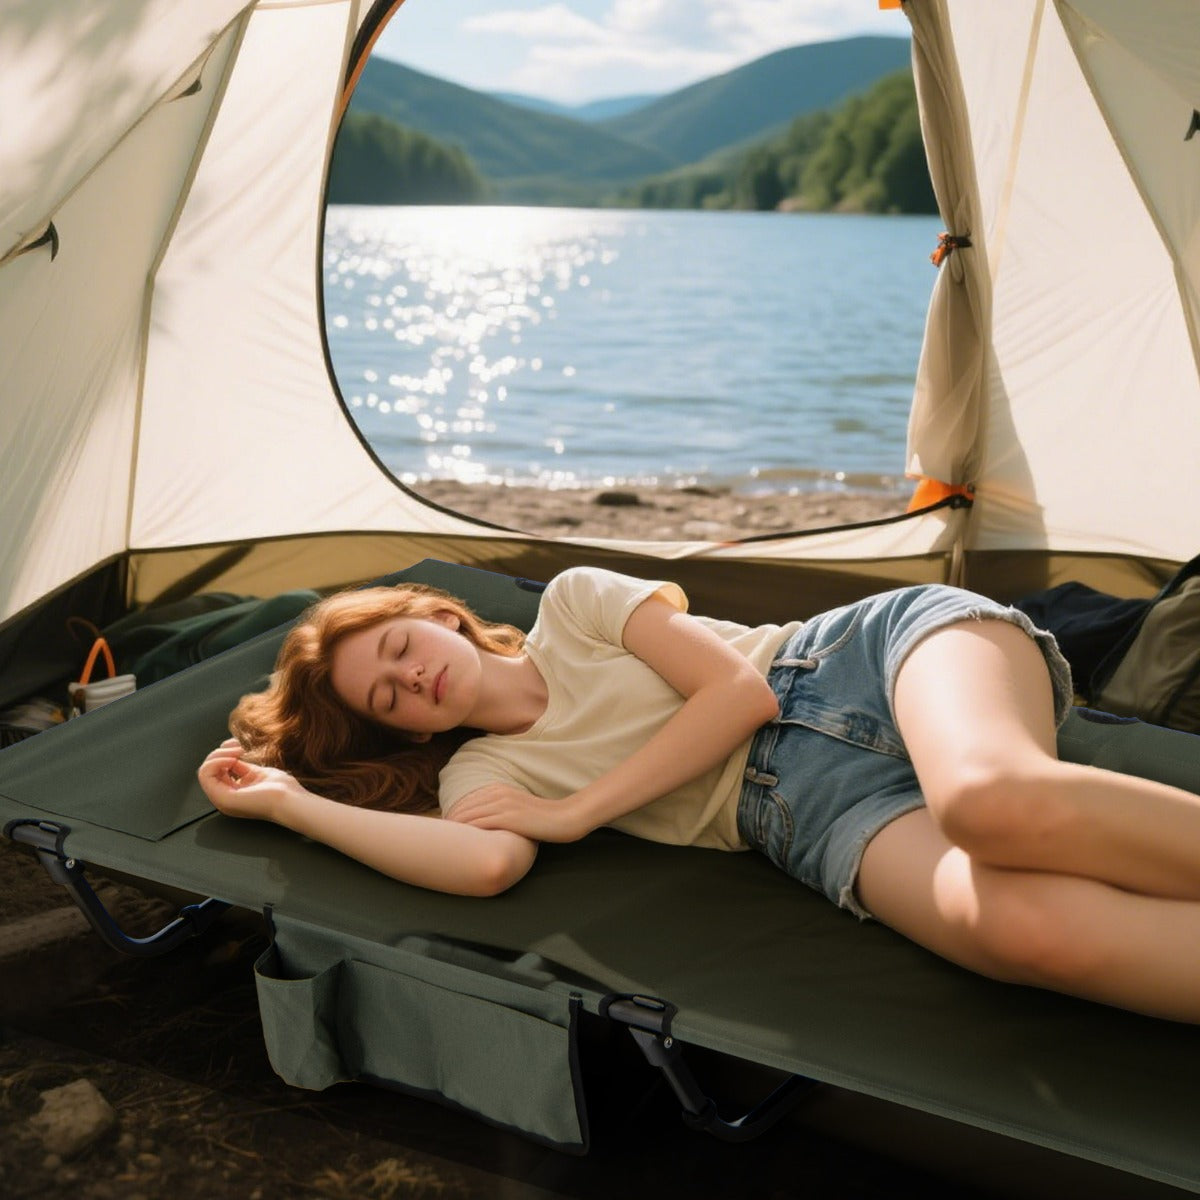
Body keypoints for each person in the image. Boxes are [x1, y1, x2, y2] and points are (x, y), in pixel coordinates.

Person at [198, 566, 1200, 1024]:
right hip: (803, 809)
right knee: (1024, 934)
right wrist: (289, 802)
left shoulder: (575, 605)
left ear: (443, 620)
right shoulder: (484, 776)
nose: (413, 679)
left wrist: (579, 812)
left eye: (404, 649)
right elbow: (485, 862)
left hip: (857, 659)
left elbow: (739, 690)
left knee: (993, 804)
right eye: (388, 697)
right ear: (405, 732)